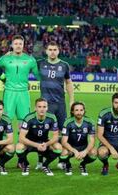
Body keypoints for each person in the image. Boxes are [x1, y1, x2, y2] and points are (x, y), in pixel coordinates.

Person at [37, 41, 74, 169]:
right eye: (50, 49)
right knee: (43, 132)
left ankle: (62, 160)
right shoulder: (40, 63)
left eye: (55, 49)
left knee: (62, 132)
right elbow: (25, 62)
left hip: (60, 103)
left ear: (58, 51)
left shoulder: (64, 65)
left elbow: (68, 83)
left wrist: (72, 100)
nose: (52, 52)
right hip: (45, 104)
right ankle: (40, 161)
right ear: (46, 51)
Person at [0, 35, 40, 124]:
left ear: (23, 45)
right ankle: (6, 138)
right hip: (9, 92)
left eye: (20, 44)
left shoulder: (30, 60)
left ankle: (22, 138)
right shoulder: (4, 59)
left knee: (24, 121)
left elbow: (38, 76)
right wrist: (4, 79)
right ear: (12, 45)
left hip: (23, 92)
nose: (18, 46)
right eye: (16, 43)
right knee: (6, 120)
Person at [16, 98, 62, 176]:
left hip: (44, 142)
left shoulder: (52, 117)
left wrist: (46, 144)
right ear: (35, 108)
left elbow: (55, 137)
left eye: (44, 107)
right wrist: (37, 145)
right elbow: (21, 138)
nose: (42, 109)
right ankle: (26, 164)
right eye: (39, 107)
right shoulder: (29, 118)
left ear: (47, 108)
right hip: (30, 143)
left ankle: (45, 165)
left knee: (58, 147)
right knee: (19, 147)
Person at [60, 102, 97, 176]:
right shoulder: (68, 122)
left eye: (81, 110)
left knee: (94, 153)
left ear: (84, 111)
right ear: (72, 111)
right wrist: (75, 151)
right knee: (63, 153)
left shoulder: (90, 122)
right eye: (76, 110)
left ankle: (83, 164)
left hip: (84, 146)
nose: (79, 112)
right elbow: (64, 142)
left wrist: (85, 151)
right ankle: (68, 165)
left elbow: (92, 141)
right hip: (71, 147)